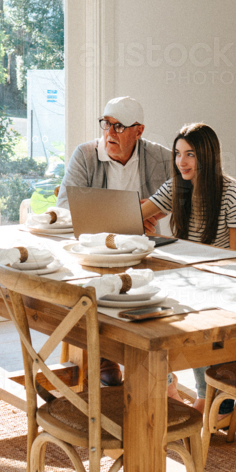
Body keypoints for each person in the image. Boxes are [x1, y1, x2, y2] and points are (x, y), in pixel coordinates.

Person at [57, 96, 172, 386]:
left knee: (167, 288)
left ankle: (153, 366)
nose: (109, 133)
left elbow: (186, 191)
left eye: (119, 127)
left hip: (143, 249)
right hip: (97, 250)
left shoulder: (160, 158)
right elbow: (64, 208)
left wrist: (157, 209)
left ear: (139, 131)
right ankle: (105, 355)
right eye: (106, 124)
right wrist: (128, 218)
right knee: (92, 287)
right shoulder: (85, 155)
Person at [140, 122, 236, 408]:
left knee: (189, 314)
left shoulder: (233, 193)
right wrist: (138, 219)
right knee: (142, 311)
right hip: (185, 278)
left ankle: (209, 399)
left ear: (207, 156)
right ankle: (167, 386)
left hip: (222, 282)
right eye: (178, 154)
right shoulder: (177, 186)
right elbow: (134, 216)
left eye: (189, 154)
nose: (181, 161)